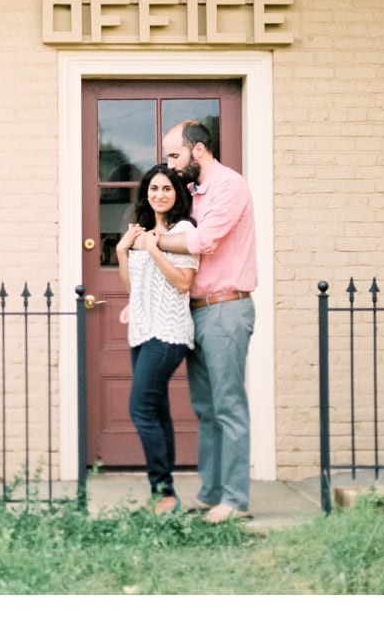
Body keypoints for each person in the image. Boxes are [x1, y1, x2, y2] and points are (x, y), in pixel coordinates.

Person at [155, 119, 258, 524]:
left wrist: (155, 241)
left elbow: (201, 242)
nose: (171, 164)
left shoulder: (229, 186)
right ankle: (212, 492)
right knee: (206, 408)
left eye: (175, 155)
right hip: (196, 310)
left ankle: (235, 500)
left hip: (226, 308)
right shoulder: (194, 194)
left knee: (229, 405)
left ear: (198, 151)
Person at [115, 163, 198, 515]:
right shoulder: (142, 231)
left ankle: (163, 492)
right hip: (142, 331)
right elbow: (134, 288)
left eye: (166, 188)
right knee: (157, 409)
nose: (159, 194)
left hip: (169, 332)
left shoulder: (184, 231)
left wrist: (153, 250)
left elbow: (183, 284)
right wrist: (123, 251)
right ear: (145, 194)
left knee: (140, 408)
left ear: (176, 194)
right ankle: (164, 493)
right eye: (153, 189)